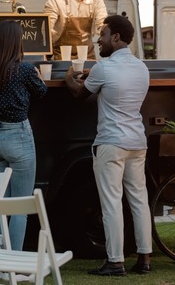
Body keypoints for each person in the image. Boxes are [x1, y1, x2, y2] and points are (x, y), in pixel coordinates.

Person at [64, 14, 152, 276]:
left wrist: (70, 75)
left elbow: (80, 94)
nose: (98, 40)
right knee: (139, 200)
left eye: (102, 35)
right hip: (137, 141)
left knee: (111, 202)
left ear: (115, 37)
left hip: (111, 142)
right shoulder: (142, 68)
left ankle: (115, 262)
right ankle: (144, 259)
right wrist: (95, 73)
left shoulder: (104, 67)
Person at [0, 21, 47, 253]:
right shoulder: (24, 70)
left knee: (0, 205)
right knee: (19, 207)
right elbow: (42, 91)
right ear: (17, 43)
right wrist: (37, 73)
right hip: (19, 137)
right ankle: (10, 266)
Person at [43, 0, 108, 60]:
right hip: (62, 56)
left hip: (87, 55)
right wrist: (44, 51)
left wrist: (107, 34)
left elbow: (103, 21)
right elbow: (46, 28)